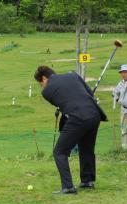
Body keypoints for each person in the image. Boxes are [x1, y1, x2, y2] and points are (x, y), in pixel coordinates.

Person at [34, 66, 107, 194]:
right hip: (94, 114)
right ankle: (87, 182)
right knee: (86, 148)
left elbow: (63, 105)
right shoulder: (73, 75)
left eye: (41, 83)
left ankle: (68, 187)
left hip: (78, 117)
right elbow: (90, 93)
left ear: (44, 78)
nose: (42, 86)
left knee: (59, 152)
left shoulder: (46, 92)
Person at [112, 64, 127, 150]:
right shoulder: (121, 83)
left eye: (124, 72)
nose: (122, 74)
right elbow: (115, 92)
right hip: (123, 110)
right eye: (121, 72)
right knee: (125, 130)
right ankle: (126, 150)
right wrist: (116, 98)